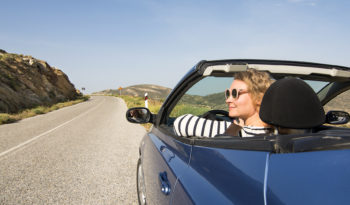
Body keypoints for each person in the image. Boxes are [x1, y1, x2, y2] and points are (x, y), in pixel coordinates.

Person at [174, 68, 274, 138]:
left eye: (235, 93)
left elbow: (182, 123)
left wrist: (235, 126)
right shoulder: (280, 134)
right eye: (228, 93)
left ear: (259, 98)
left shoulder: (241, 132)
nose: (228, 100)